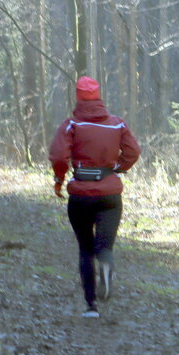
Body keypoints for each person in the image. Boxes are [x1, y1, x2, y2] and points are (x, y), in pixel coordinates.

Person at [49, 76, 141, 318]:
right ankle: (107, 265)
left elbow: (59, 156)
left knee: (85, 250)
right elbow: (133, 151)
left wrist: (59, 180)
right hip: (110, 195)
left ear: (78, 97)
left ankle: (91, 305)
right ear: (99, 96)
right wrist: (118, 169)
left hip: (80, 194)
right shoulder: (117, 124)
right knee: (104, 246)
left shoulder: (71, 125)